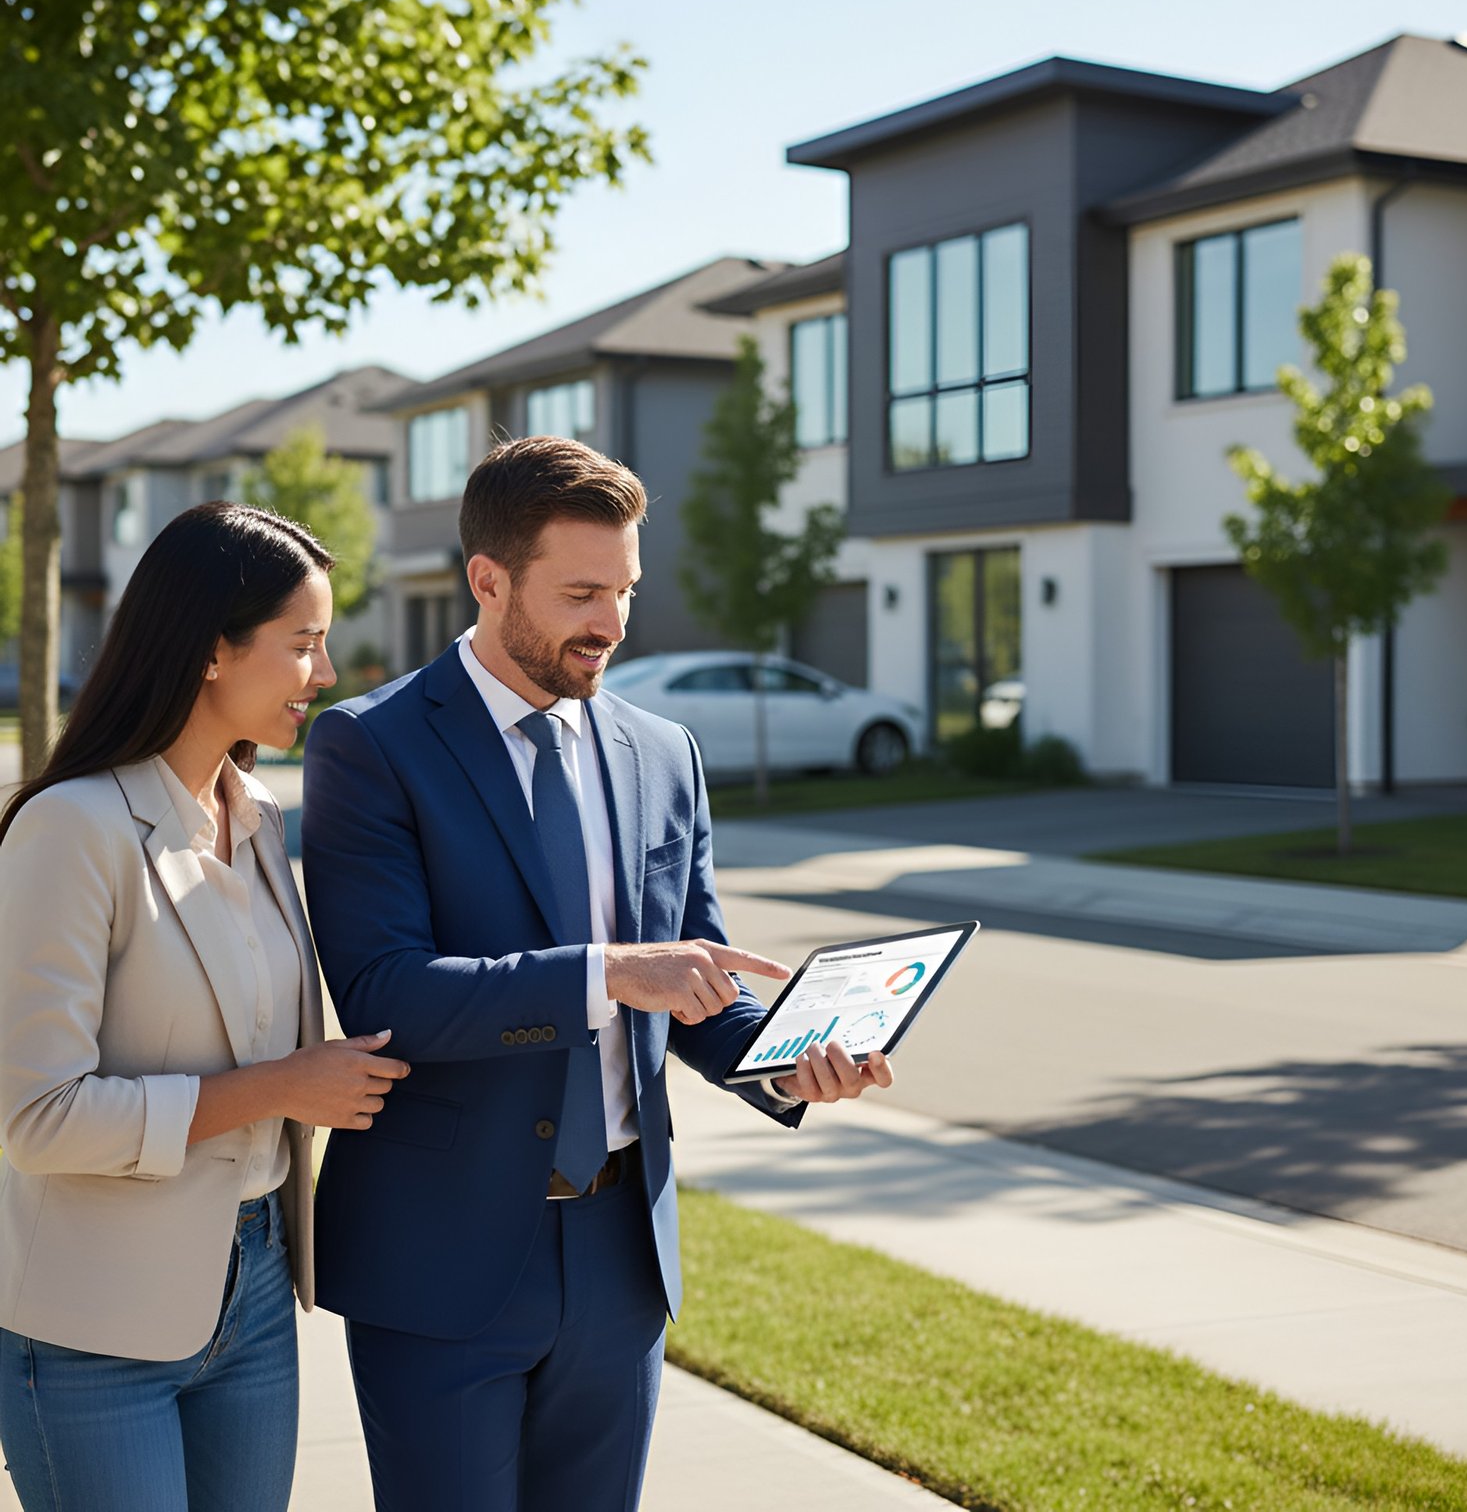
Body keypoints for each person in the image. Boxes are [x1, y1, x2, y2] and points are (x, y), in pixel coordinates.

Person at [299, 436, 893, 1512]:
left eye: (623, 589)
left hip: (622, 1256)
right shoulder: (370, 745)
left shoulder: (663, 751)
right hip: (445, 1256)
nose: (611, 623)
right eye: (580, 592)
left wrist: (785, 1062)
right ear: (488, 579)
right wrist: (607, 973)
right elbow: (388, 993)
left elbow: (697, 980)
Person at [0, 503, 410, 1512]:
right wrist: (281, 1088)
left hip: (256, 1290)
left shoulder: (259, 814)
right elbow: (35, 1116)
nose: (324, 675)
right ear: (212, 651)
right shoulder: (72, 828)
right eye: (302, 644)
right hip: (90, 1323)